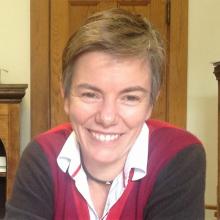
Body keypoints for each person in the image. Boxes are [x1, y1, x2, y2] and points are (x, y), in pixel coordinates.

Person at [5, 8, 205, 220]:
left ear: (150, 105)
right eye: (90, 94)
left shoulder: (178, 155)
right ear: (66, 97)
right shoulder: (42, 156)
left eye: (130, 98)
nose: (107, 118)